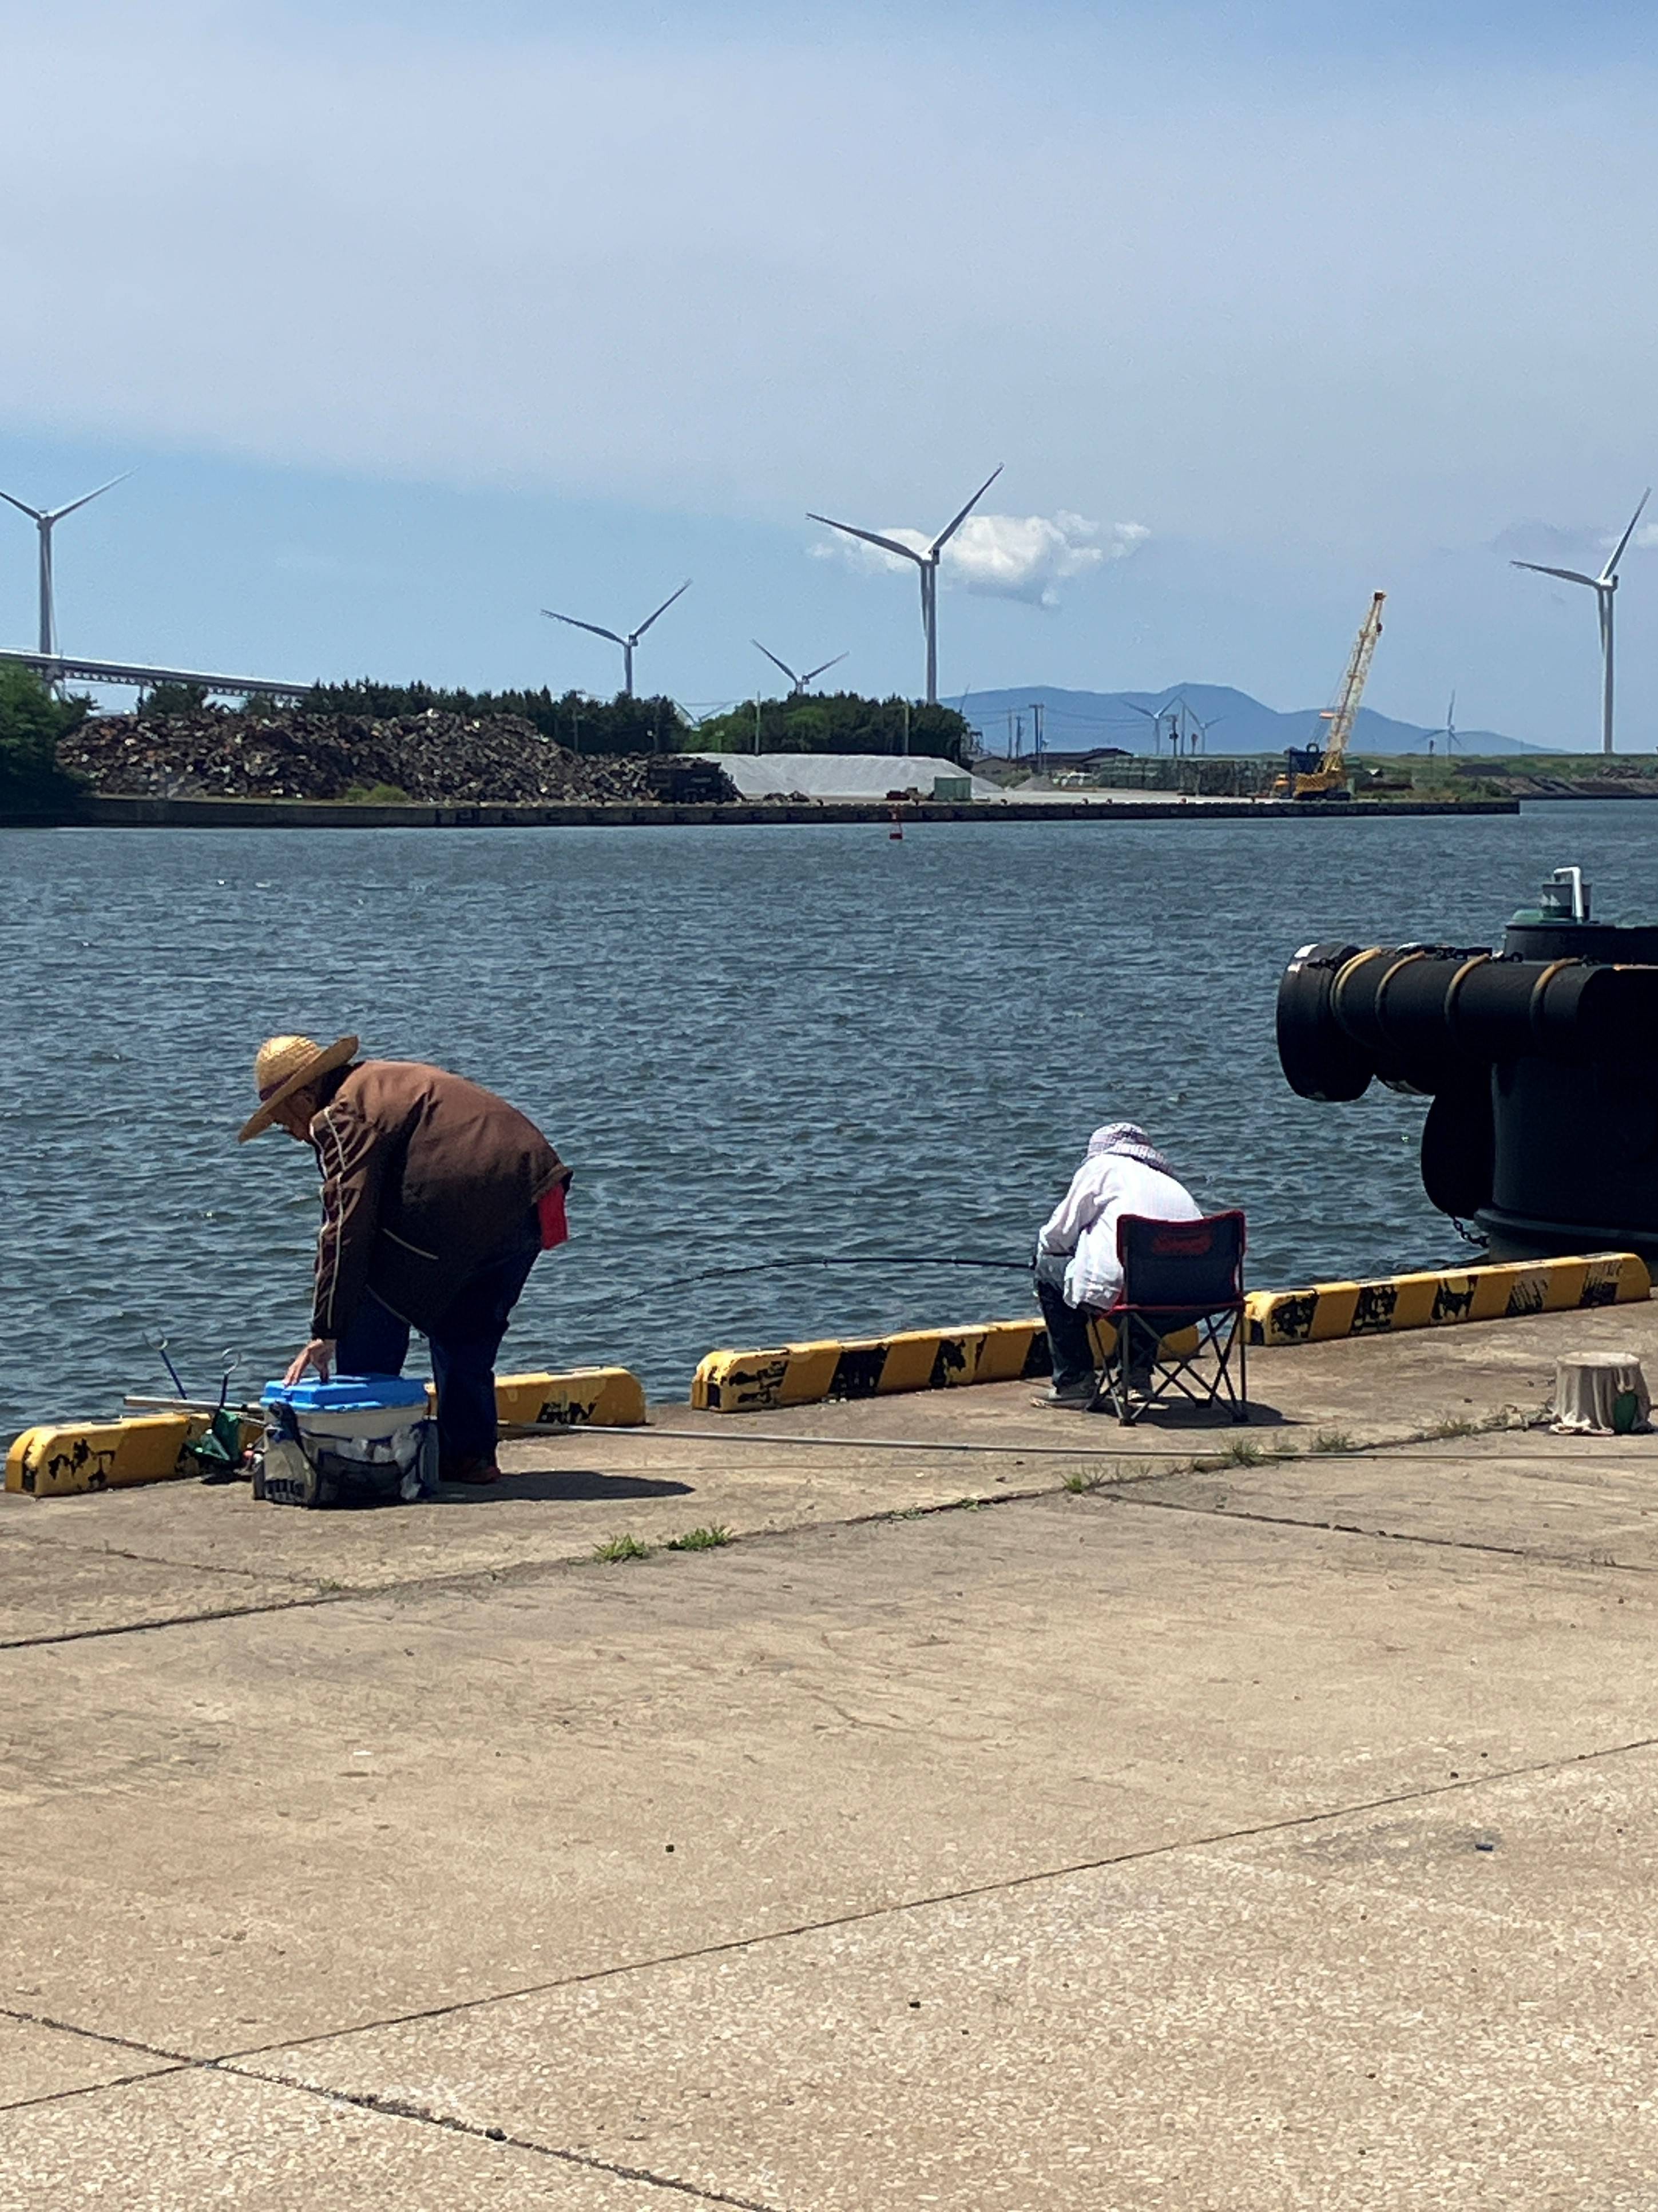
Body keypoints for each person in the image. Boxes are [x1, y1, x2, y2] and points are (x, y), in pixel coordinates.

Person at [239, 1034, 572, 1484]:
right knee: (465, 1331)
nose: (294, 1135)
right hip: (533, 1191)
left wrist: (327, 1330)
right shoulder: (380, 1082)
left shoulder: (340, 1116)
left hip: (472, 1203)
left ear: (304, 1097)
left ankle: (363, 1446)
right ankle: (467, 1457)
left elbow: (346, 1225)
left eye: (284, 1121)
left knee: (367, 1296)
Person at [1032, 1121, 1203, 1408]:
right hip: (1199, 1300)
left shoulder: (1102, 1168)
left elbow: (1055, 1237)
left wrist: (1064, 1258)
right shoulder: (1167, 1181)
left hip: (1133, 1297)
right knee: (1147, 1274)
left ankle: (1074, 1382)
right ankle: (1135, 1378)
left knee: (1048, 1267)